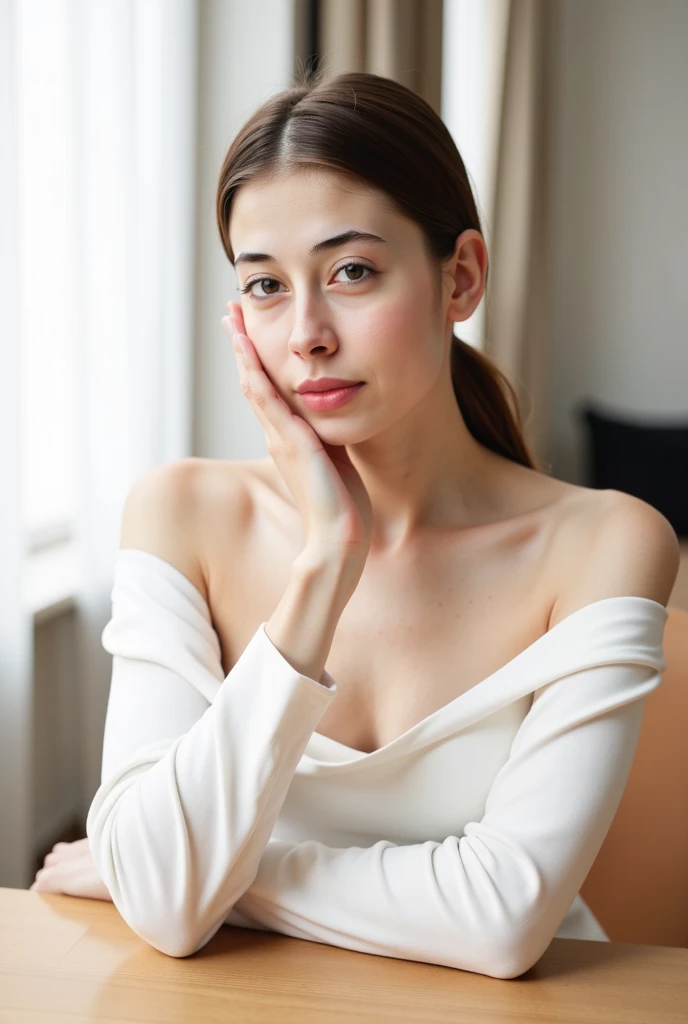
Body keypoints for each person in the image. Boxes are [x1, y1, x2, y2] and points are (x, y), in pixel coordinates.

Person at [32, 70, 678, 978]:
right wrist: (326, 563)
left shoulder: (606, 543)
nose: (306, 334)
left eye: (352, 272)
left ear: (460, 277)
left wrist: (208, 878)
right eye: (264, 286)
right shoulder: (181, 514)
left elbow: (502, 919)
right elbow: (171, 913)